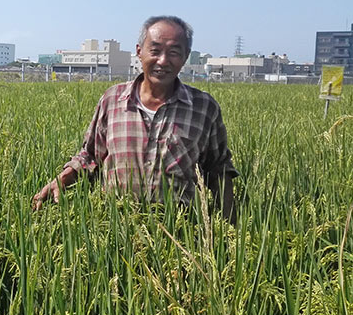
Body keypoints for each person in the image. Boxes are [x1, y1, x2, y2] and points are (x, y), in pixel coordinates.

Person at [32, 16, 238, 223]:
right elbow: (91, 156)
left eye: (174, 52)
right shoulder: (112, 100)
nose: (163, 60)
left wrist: (228, 231)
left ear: (185, 57)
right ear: (139, 52)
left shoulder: (203, 108)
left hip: (179, 232)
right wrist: (62, 179)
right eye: (155, 50)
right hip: (115, 229)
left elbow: (218, 170)